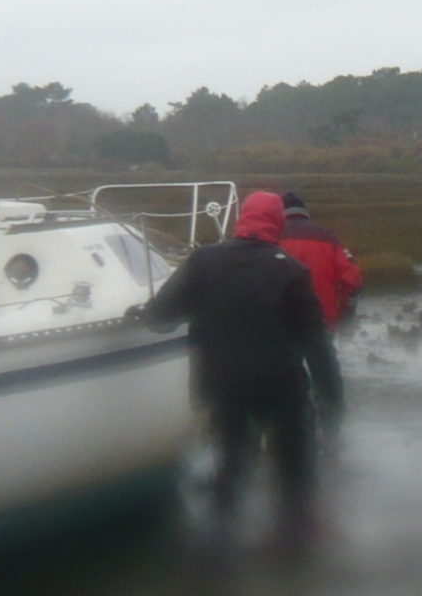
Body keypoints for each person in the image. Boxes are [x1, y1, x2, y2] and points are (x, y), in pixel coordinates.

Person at [139, 190, 344, 542]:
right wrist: (333, 403)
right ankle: (296, 542)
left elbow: (159, 319)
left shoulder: (204, 261)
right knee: (295, 467)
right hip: (282, 387)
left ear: (241, 219)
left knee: (232, 463)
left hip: (222, 384)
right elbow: (317, 345)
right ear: (277, 224)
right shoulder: (293, 272)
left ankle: (218, 550)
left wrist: (144, 312)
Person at [276, 191, 364, 326]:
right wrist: (343, 316)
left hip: (280, 322)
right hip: (322, 322)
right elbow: (353, 278)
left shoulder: (270, 237)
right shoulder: (328, 237)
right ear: (304, 211)